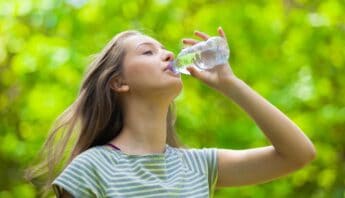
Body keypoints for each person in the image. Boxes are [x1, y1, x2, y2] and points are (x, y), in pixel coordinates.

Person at [26, 27, 316, 198]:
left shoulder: (198, 166)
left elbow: (298, 154)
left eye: (164, 50)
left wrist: (231, 84)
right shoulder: (90, 170)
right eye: (148, 52)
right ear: (119, 82)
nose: (167, 54)